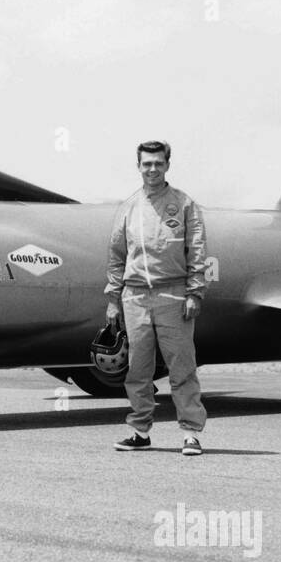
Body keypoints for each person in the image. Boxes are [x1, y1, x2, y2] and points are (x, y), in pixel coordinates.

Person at [104, 140, 208, 455]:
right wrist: (113, 299)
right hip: (135, 297)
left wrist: (194, 292)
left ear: (167, 166)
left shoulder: (185, 204)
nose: (152, 169)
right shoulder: (128, 207)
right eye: (146, 164)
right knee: (138, 369)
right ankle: (139, 432)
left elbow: (198, 251)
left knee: (182, 366)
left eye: (158, 163)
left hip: (173, 294)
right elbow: (116, 256)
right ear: (139, 166)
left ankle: (190, 433)